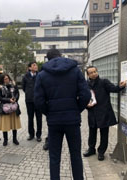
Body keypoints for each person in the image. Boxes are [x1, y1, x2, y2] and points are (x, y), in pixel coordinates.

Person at [34, 49, 91, 180]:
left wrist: (49, 112)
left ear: (47, 59)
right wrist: (77, 109)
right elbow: (85, 94)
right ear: (60, 56)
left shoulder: (42, 75)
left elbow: (38, 100)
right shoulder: (75, 71)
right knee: (75, 154)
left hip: (54, 121)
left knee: (54, 156)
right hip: (73, 120)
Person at [83, 66, 126, 161]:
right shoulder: (85, 84)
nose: (94, 73)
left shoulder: (104, 82)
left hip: (104, 112)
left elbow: (114, 89)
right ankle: (91, 149)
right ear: (88, 74)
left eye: (95, 71)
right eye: (91, 72)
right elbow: (83, 97)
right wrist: (86, 105)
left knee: (104, 133)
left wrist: (120, 86)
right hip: (92, 112)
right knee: (92, 132)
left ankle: (101, 152)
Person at [0, 74, 21, 146]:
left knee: (14, 124)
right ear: (2, 80)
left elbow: (17, 93)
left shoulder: (13, 85)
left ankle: (15, 139)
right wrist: (9, 100)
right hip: (5, 108)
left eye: (7, 78)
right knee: (5, 125)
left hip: (14, 107)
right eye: (5, 79)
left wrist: (15, 98)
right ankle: (5, 140)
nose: (7, 80)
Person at [22, 61, 42, 142]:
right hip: (29, 100)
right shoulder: (25, 76)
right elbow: (23, 88)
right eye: (34, 65)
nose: (36, 66)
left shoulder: (40, 75)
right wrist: (29, 93)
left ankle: (38, 135)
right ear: (29, 68)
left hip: (38, 100)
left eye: (36, 65)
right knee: (30, 118)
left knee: (39, 118)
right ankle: (31, 134)